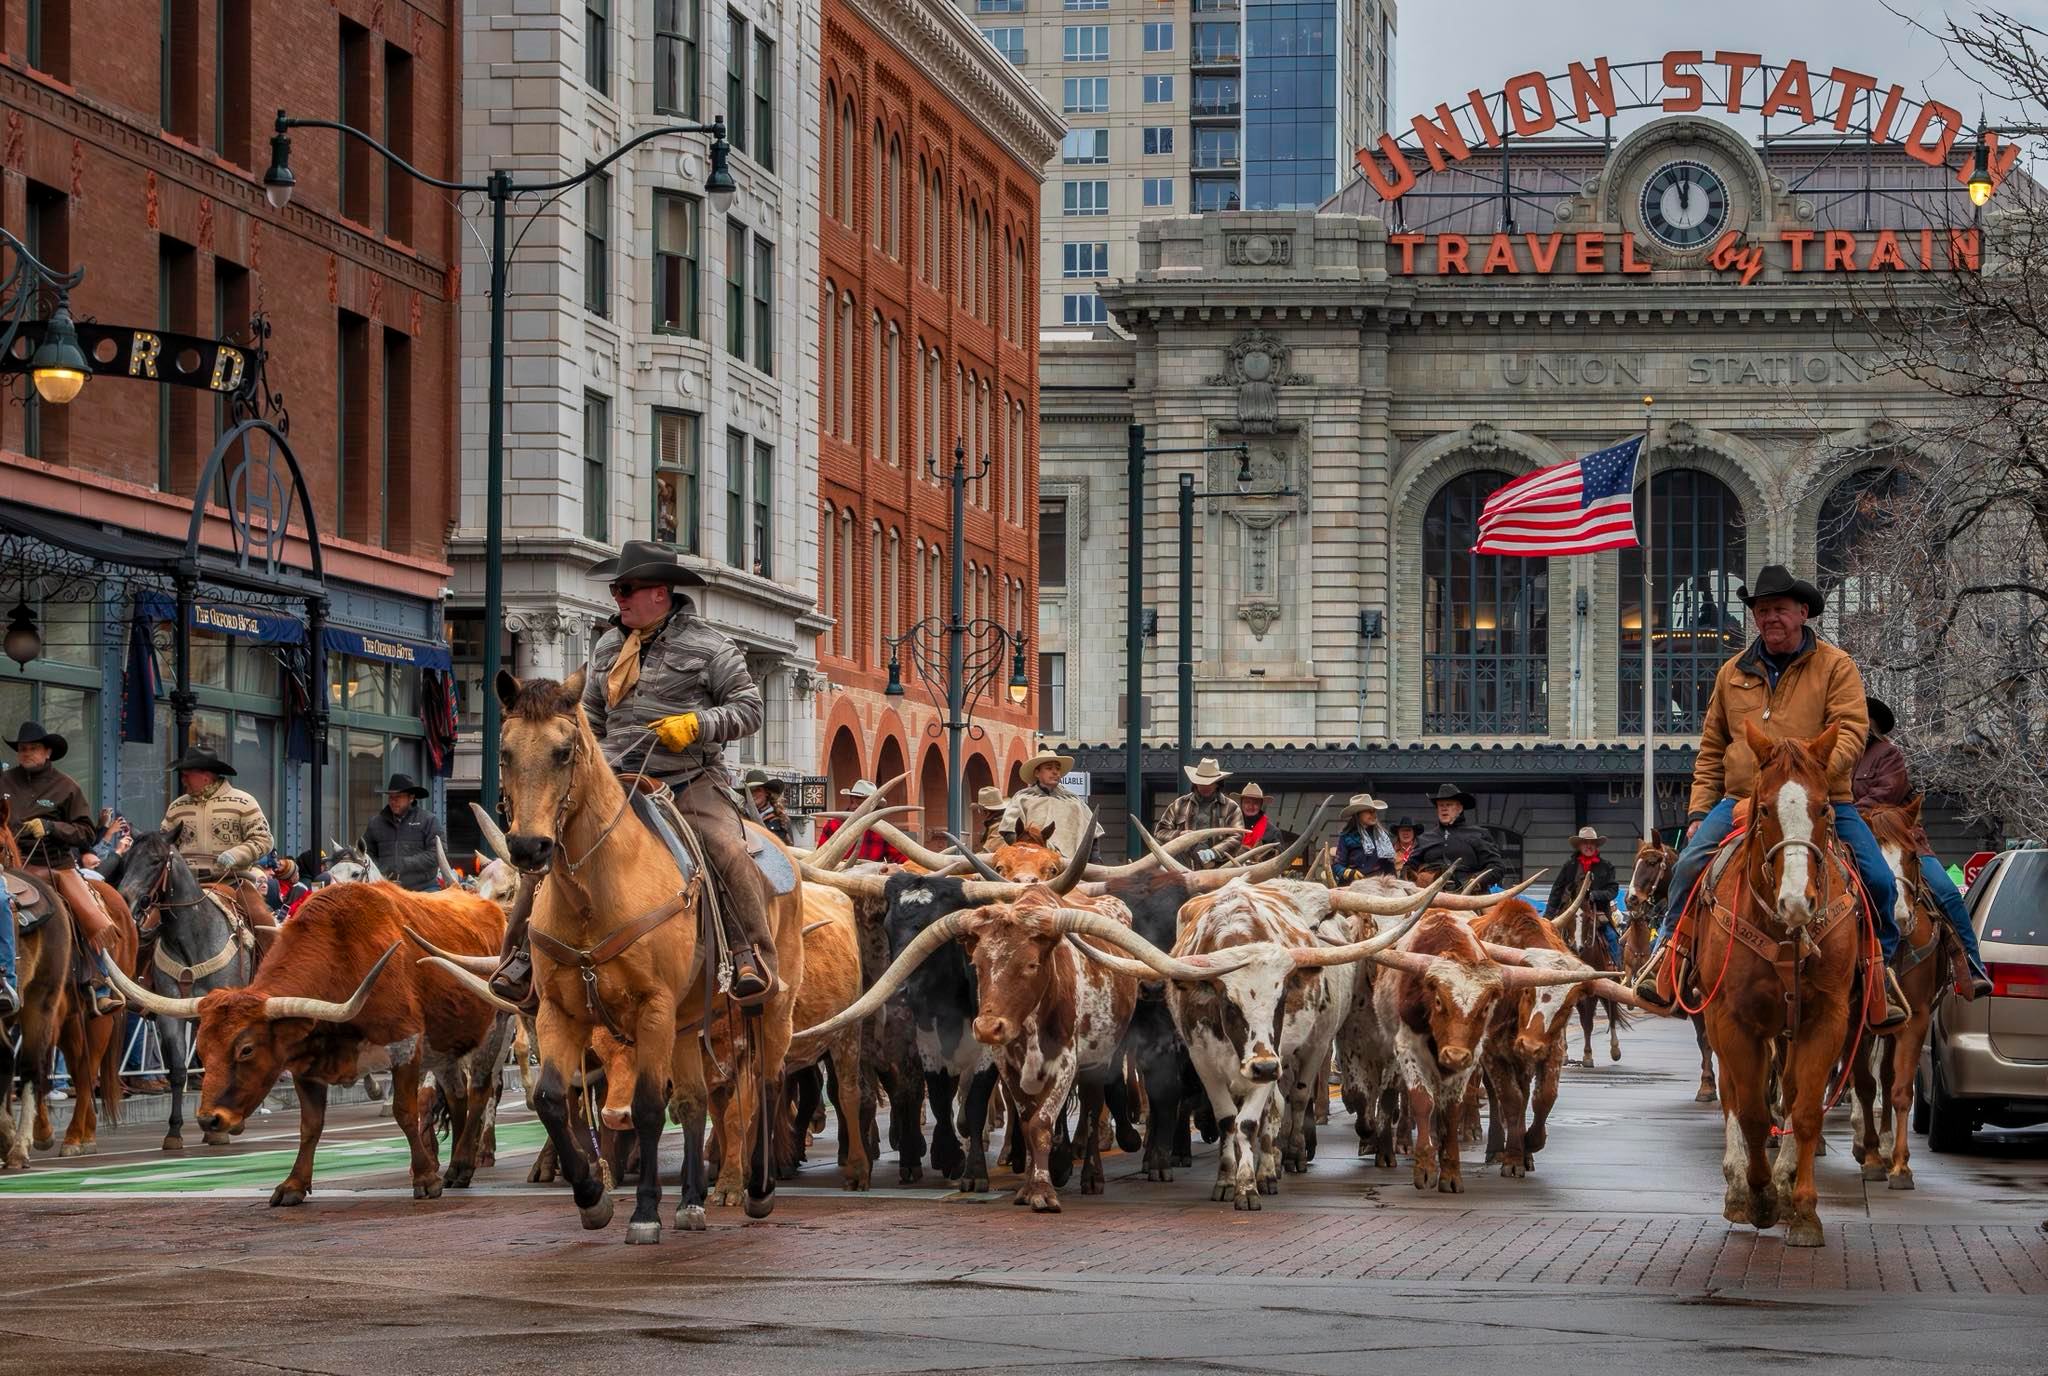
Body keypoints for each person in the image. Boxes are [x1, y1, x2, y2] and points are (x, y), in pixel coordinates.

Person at [1634, 565, 1907, 1028]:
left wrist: (1813, 776)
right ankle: (1669, 958)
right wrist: (1700, 810)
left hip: (1822, 800)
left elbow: (1852, 730)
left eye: (1779, 609)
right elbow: (1713, 748)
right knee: (1688, 866)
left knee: (1880, 881)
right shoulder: (1731, 673)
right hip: (1744, 798)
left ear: (1802, 612)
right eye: (1762, 611)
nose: (1770, 618)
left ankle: (1879, 974)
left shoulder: (1836, 666)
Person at [570, 541, 776, 1002]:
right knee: (551, 841)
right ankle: (521, 956)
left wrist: (697, 724)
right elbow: (591, 717)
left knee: (725, 848)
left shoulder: (711, 646)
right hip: (613, 776)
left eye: (626, 589)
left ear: (659, 593)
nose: (617, 598)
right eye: (615, 589)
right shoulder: (606, 646)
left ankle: (751, 955)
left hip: (689, 778)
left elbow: (750, 709)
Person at [1854, 696, 1994, 1000]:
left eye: (1859, 717)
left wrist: (1845, 812)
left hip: (1898, 839)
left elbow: (1886, 794)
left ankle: (1970, 966)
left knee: (1945, 890)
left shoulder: (1888, 755)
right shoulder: (1836, 756)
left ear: (1872, 725)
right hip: (1851, 842)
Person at [1, 722, 123, 1015]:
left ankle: (100, 982)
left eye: (32, 749)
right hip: (9, 866)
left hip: (54, 866)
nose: (25, 753)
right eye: (22, 749)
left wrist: (51, 826)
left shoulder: (67, 786)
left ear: (47, 752)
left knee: (89, 915)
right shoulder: (3, 782)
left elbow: (85, 834)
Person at [162, 745, 279, 936]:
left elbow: (263, 839)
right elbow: (164, 842)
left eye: (186, 775)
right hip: (184, 885)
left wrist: (236, 854)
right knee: (145, 926)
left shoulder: (244, 802)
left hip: (234, 882)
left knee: (263, 923)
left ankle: (270, 964)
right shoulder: (176, 807)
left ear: (205, 776)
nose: (183, 780)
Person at [996, 748, 1096, 859]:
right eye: (1049, 768)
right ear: (1037, 773)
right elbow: (1008, 831)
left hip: (1070, 864)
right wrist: (1027, 852)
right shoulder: (1022, 799)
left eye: (1058, 769)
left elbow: (1093, 834)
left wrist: (1095, 859)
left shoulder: (1074, 801)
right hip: (1031, 863)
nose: (1055, 772)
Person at [1549, 826, 1622, 968]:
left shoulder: (1606, 866)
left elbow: (1613, 890)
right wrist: (1548, 916)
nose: (1589, 846)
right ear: (1579, 845)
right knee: (1552, 939)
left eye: (1592, 843)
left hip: (1597, 913)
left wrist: (1595, 895)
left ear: (1596, 845)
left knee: (1612, 937)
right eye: (1585, 842)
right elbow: (1556, 891)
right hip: (1569, 913)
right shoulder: (1569, 866)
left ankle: (1618, 971)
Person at [361, 773, 445, 892]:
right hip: (386, 888)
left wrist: (404, 863)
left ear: (411, 798)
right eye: (391, 797)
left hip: (423, 888)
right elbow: (366, 853)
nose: (393, 801)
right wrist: (380, 869)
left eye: (398, 797)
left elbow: (438, 854)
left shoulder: (428, 820)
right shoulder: (376, 823)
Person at [1155, 758, 1244, 868]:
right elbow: (1160, 832)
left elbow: (1237, 836)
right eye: (1201, 783)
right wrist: (1179, 835)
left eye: (1210, 783)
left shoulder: (1231, 807)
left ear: (1218, 783)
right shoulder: (1179, 804)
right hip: (1180, 866)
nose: (1205, 786)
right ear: (1195, 783)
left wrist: (1212, 853)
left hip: (1219, 867)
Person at [1410, 783, 1502, 881]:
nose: (1444, 808)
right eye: (1440, 805)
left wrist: (1476, 882)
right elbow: (1409, 866)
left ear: (1460, 808)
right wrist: (1413, 877)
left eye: (1448, 804)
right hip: (1431, 892)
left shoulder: (1478, 834)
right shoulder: (1425, 838)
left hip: (1468, 892)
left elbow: (1496, 867)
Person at [817, 780, 906, 863]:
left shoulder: (883, 830)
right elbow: (820, 856)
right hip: (835, 876)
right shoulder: (834, 825)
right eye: (852, 802)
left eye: (860, 803)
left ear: (873, 806)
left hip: (870, 877)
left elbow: (901, 858)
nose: (854, 806)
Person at [1332, 795, 1397, 884]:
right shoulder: (1346, 837)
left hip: (1378, 884)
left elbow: (1389, 865)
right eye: (1369, 812)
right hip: (1354, 884)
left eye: (1374, 811)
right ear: (1357, 814)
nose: (1374, 815)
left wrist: (1393, 882)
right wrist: (1349, 873)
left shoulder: (1382, 837)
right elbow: (1337, 865)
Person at [742, 769, 794, 845]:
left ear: (766, 793)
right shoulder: (739, 818)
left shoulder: (782, 820)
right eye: (749, 790)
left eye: (757, 790)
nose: (752, 794)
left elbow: (789, 849)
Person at [1236, 782, 1273, 852]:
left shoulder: (1272, 831)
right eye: (1247, 802)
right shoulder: (1231, 824)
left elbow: (1280, 856)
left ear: (1261, 805)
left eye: (1256, 803)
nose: (1251, 806)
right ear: (1241, 804)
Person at [972, 786, 1007, 851]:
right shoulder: (1002, 823)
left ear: (987, 812)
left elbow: (987, 853)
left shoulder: (1000, 828)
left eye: (979, 810)